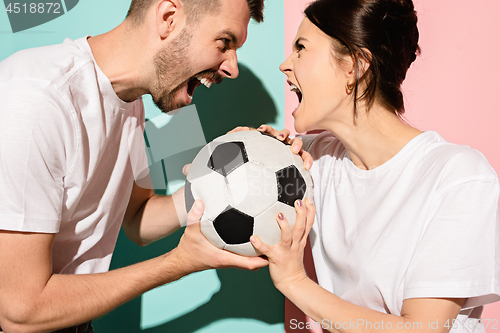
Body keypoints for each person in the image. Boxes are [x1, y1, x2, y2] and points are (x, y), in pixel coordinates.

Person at [0, 0, 316, 332]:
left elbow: (137, 220)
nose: (232, 68)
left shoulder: (130, 101)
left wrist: (224, 174)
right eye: (225, 43)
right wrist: (178, 263)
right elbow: (20, 310)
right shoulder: (36, 102)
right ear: (168, 18)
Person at [251, 0, 500, 332]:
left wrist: (295, 281)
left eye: (301, 49)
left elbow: (422, 330)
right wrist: (249, 147)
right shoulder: (310, 162)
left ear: (354, 67)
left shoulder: (458, 176)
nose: (285, 64)